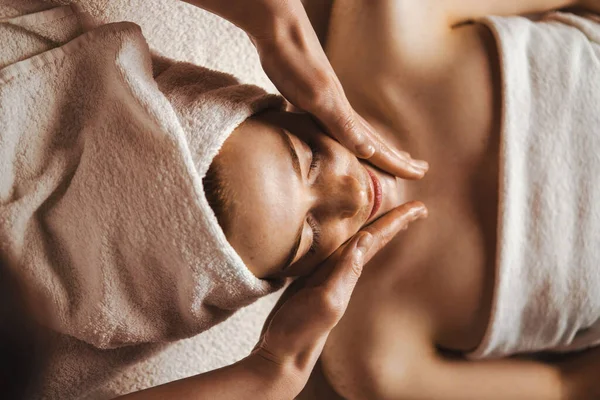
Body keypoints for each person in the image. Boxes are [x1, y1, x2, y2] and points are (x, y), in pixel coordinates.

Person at [0, 0, 426, 399]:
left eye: (309, 157)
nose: (353, 196)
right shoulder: (385, 364)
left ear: (275, 108)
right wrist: (270, 372)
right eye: (309, 238)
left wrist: (278, 26)